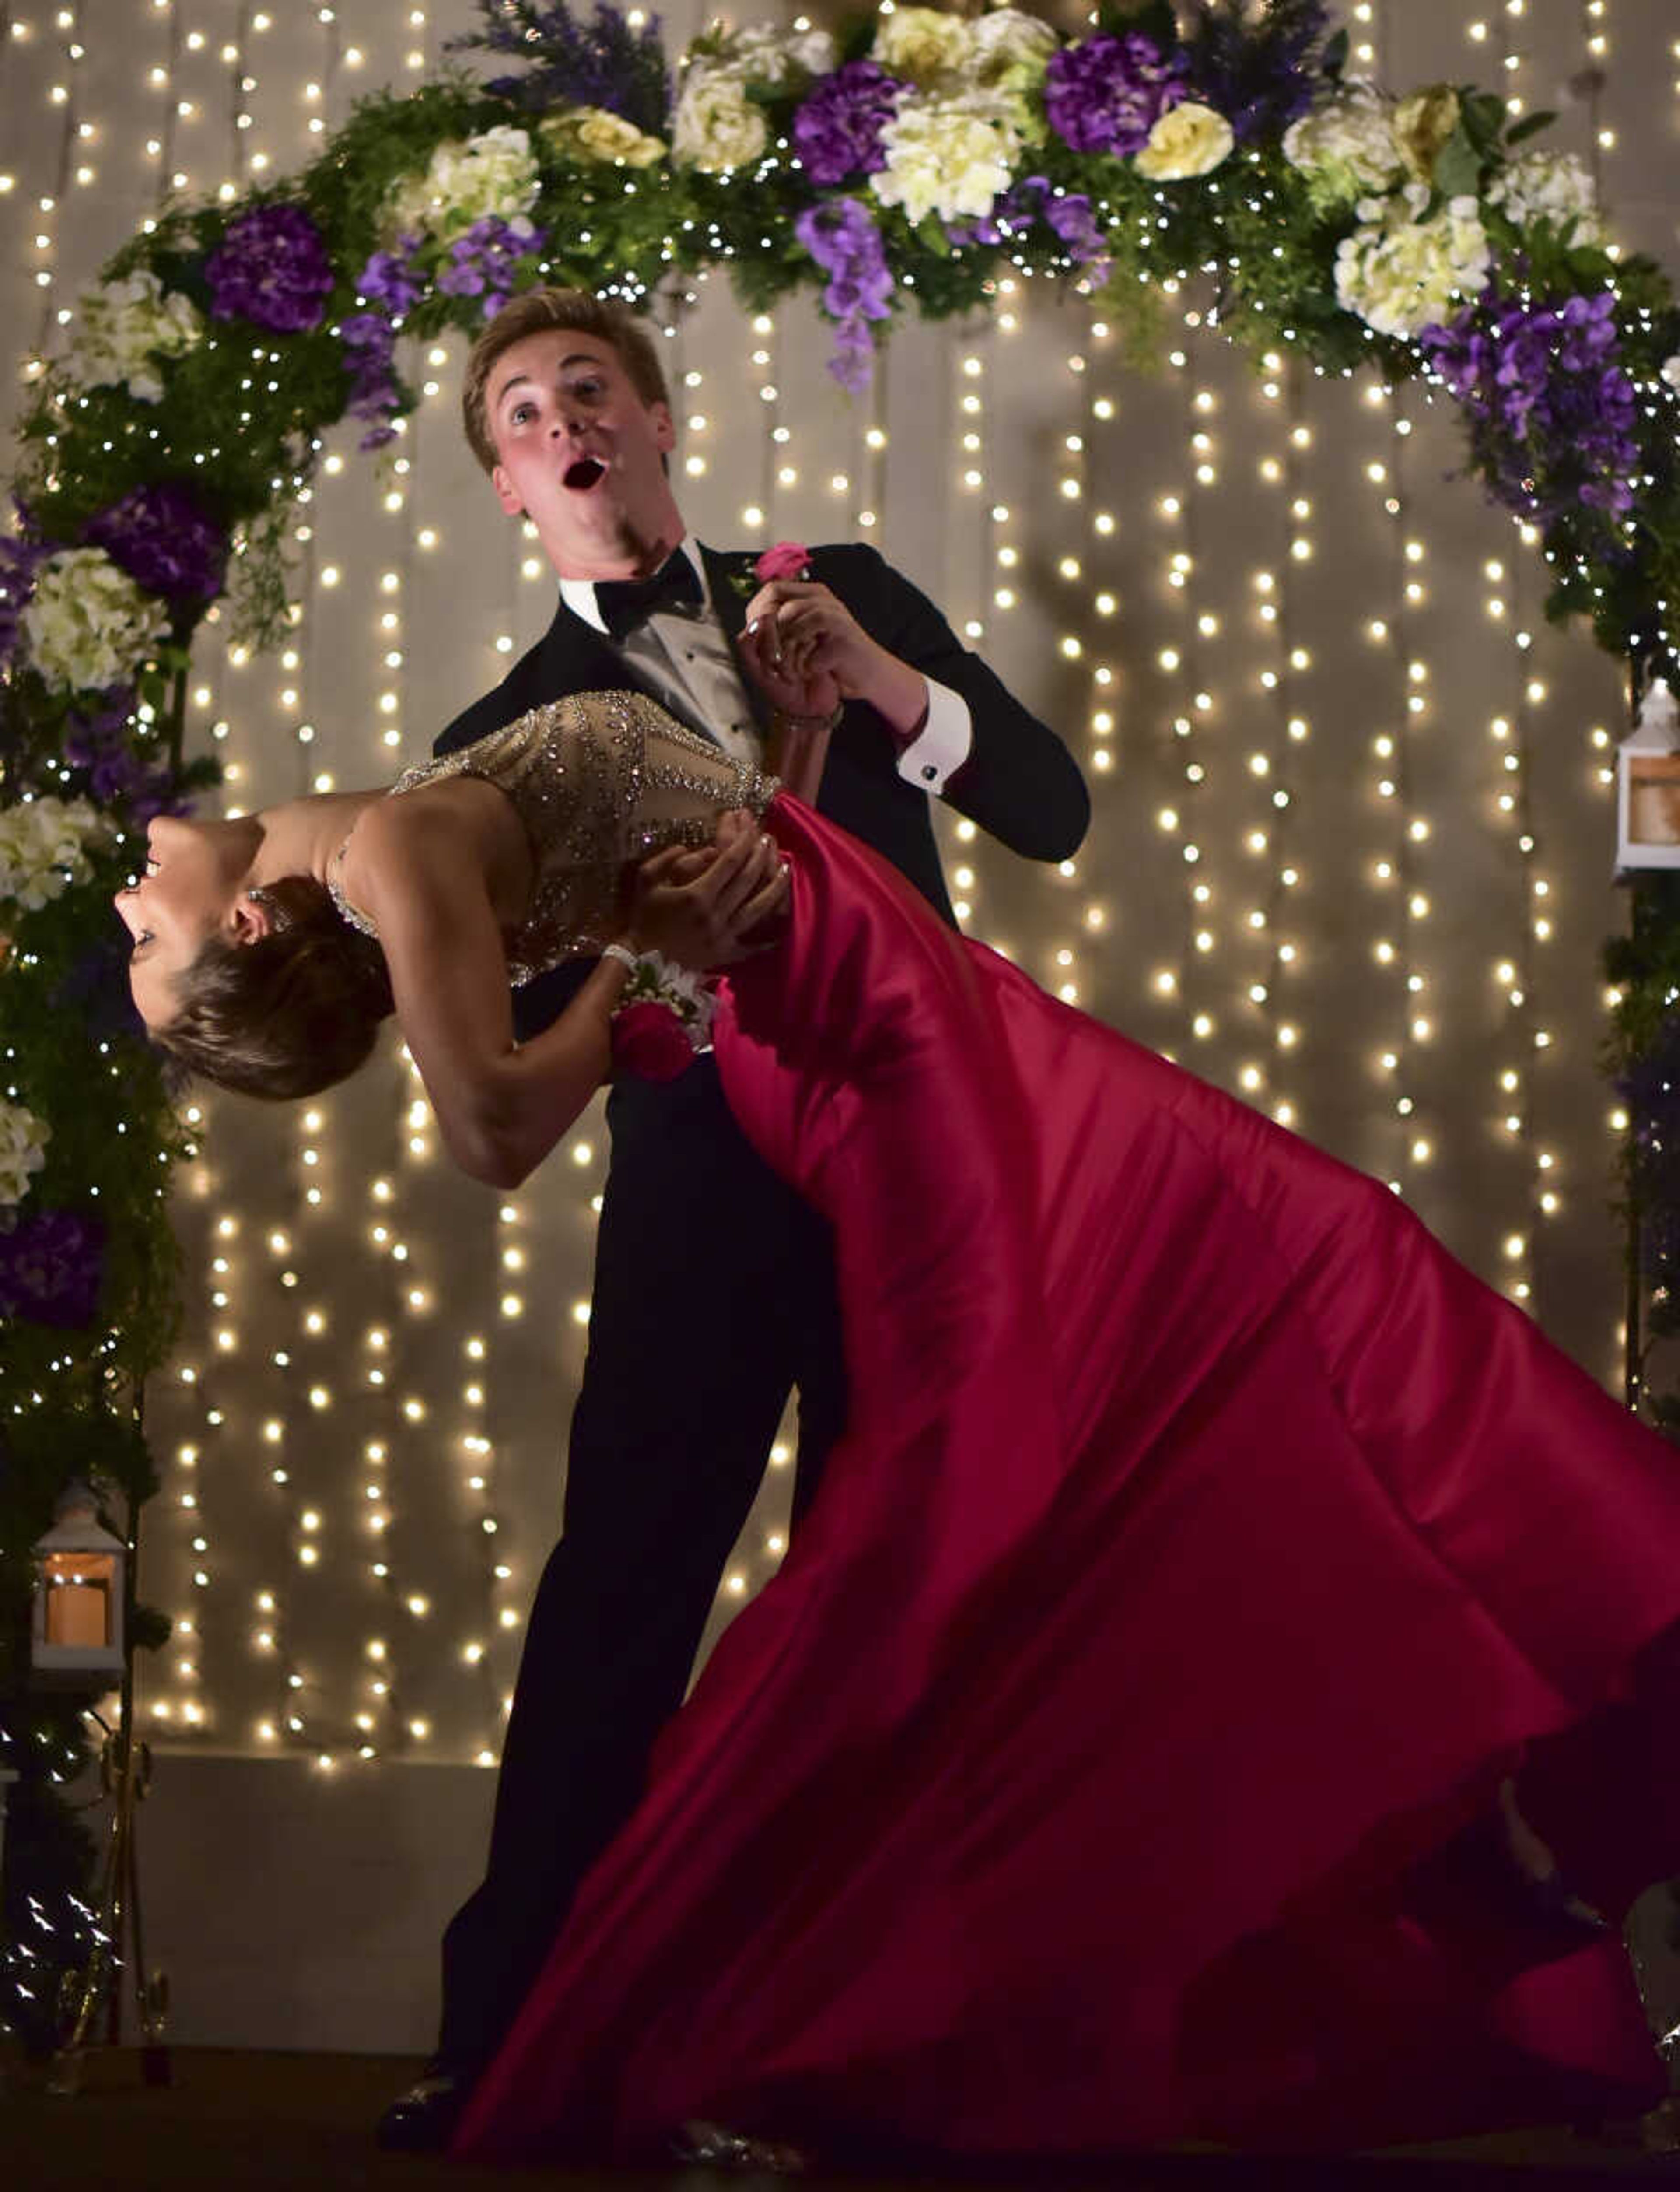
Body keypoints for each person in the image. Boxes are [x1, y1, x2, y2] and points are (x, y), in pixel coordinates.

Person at [123, 682, 1680, 2165]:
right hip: (865, 1035)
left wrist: (788, 758)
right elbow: (495, 1126)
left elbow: (695, 847)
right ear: (249, 925)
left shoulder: (356, 835)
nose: (129, 899)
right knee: (1006, 1468)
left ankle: (1444, 1805)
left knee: (1260, 1261)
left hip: (884, 975)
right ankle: (763, 2017)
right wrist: (650, 958)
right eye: (149, 944)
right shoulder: (388, 852)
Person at [373, 285, 1091, 2150]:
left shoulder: (831, 583)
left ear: (662, 420)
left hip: (919, 1159)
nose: (559, 416)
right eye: (520, 409)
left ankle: (875, 2038)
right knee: (621, 1586)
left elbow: (1050, 806)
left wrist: (874, 680)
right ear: (512, 491)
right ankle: (507, 2029)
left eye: (586, 385)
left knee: (912, 1585)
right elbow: (526, 1037)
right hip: (701, 1185)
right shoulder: (501, 734)